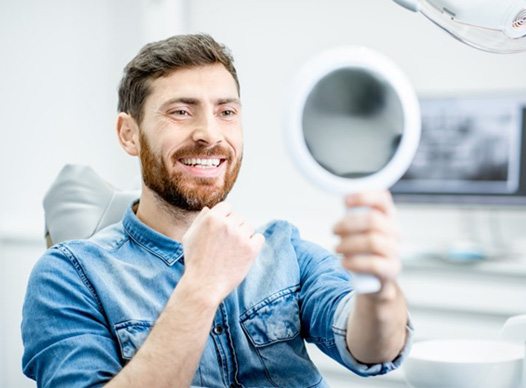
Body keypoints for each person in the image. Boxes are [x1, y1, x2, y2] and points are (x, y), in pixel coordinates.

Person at [21, 34, 412, 388]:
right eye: (180, 112)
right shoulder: (69, 276)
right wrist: (201, 288)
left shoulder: (284, 249)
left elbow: (372, 350)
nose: (210, 133)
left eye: (226, 112)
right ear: (129, 133)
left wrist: (378, 287)